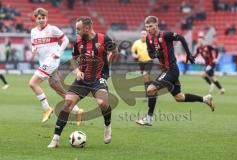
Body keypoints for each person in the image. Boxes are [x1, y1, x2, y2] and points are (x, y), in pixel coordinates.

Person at [47, 16, 117, 148]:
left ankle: (107, 126)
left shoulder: (104, 39)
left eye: (78, 29)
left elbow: (114, 51)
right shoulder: (78, 42)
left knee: (102, 103)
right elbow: (74, 59)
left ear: (87, 28)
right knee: (67, 104)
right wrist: (77, 71)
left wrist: (108, 61)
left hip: (99, 77)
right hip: (82, 79)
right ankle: (55, 139)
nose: (76, 31)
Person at [135, 16, 215, 126]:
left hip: (171, 70)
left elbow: (181, 38)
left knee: (150, 89)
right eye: (147, 27)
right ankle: (205, 99)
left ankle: (149, 118)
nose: (149, 29)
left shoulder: (166, 35)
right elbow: (150, 54)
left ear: (156, 25)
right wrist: (156, 54)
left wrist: (188, 54)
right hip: (165, 71)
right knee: (179, 97)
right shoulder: (149, 39)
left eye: (151, 26)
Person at [29, 8, 82, 124]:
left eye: (43, 18)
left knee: (33, 83)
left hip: (51, 61)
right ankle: (78, 111)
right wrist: (33, 49)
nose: (41, 20)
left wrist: (59, 52)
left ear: (46, 18)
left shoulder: (52, 29)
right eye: (39, 18)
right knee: (57, 88)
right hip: (44, 63)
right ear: (35, 19)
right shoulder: (33, 32)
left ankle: (47, 108)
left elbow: (66, 40)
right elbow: (33, 44)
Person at [131, 30, 153, 99]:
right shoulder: (136, 43)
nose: (143, 35)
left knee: (145, 74)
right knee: (146, 78)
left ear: (147, 35)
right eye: (142, 34)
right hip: (141, 62)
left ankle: (147, 94)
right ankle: (153, 89)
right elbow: (133, 52)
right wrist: (135, 56)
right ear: (140, 35)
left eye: (144, 34)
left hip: (149, 60)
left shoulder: (150, 42)